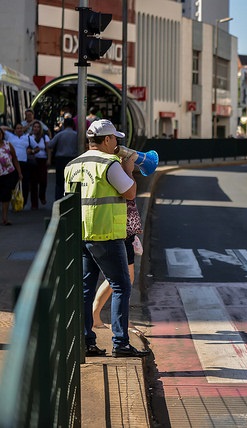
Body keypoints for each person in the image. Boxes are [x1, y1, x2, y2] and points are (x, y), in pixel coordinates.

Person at [65, 119, 149, 358]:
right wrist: (128, 168)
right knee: (121, 285)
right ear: (108, 140)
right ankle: (121, 343)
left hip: (80, 233)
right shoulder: (109, 164)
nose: (117, 144)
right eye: (115, 139)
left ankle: (85, 341)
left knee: (85, 288)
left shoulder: (73, 164)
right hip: (107, 233)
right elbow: (130, 191)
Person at [93, 198, 143, 329]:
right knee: (121, 278)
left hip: (123, 228)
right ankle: (101, 317)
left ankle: (96, 315)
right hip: (121, 229)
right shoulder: (119, 176)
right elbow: (130, 191)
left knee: (121, 278)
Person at [48, 117, 78, 200]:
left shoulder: (60, 134)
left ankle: (58, 200)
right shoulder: (76, 135)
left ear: (64, 125)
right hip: (73, 160)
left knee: (59, 182)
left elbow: (50, 145)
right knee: (72, 181)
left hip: (60, 160)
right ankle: (71, 200)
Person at [2, 124, 30, 202]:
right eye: (17, 128)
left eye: (21, 128)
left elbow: (36, 147)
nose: (19, 130)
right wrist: (11, 129)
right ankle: (11, 199)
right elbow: (1, 128)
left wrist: (32, 151)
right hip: (12, 163)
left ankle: (23, 201)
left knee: (24, 182)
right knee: (12, 183)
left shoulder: (27, 137)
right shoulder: (10, 136)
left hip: (23, 163)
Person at [0, 128, 22, 225]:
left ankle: (5, 218)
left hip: (9, 174)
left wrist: (19, 173)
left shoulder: (8, 145)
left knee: (6, 196)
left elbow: (15, 159)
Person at [26, 121, 50, 210]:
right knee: (33, 183)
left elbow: (48, 148)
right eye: (34, 127)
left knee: (43, 180)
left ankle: (42, 195)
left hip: (43, 160)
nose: (36, 128)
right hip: (33, 161)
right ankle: (34, 204)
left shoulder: (45, 137)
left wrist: (49, 159)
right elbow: (27, 148)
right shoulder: (29, 137)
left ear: (40, 129)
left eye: (37, 127)